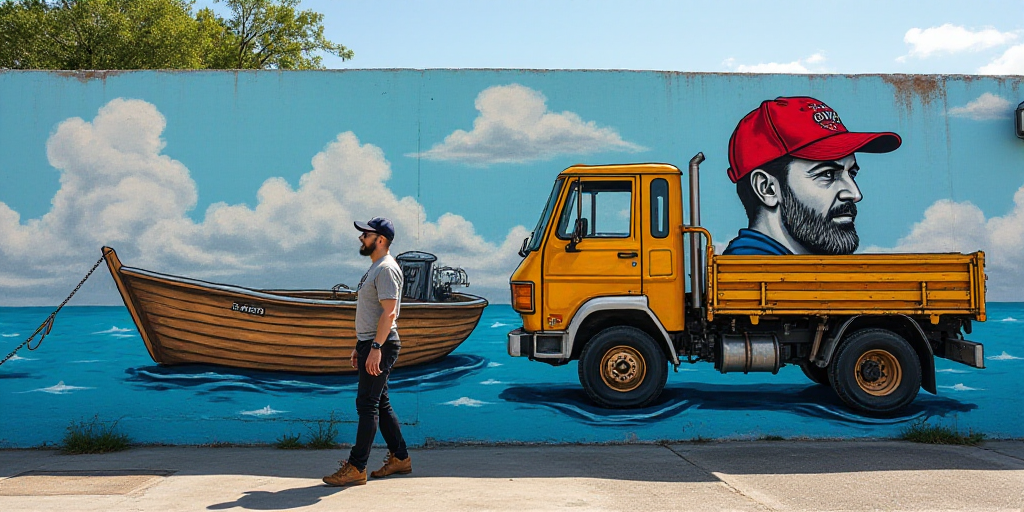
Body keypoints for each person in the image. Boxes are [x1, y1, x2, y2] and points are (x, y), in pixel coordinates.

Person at [724, 96, 902, 256]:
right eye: (828, 174)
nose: (855, 194)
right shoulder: (758, 279)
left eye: (852, 173)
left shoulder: (797, 279)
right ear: (767, 188)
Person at [323, 216, 411, 487]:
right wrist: (361, 345)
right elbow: (373, 312)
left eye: (366, 234)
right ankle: (400, 458)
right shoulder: (376, 268)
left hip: (380, 344)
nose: (361, 238)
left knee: (367, 404)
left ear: (380, 240)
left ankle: (356, 466)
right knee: (380, 403)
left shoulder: (385, 268)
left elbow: (389, 312)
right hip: (371, 343)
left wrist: (375, 348)